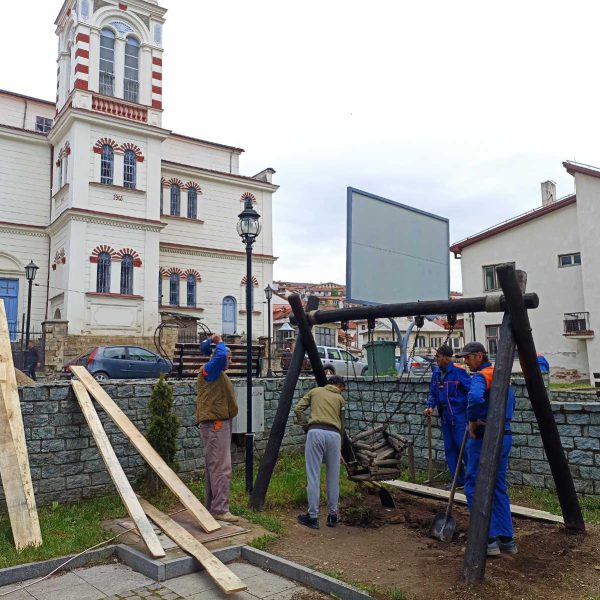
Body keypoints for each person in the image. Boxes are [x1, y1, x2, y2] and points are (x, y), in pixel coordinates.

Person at [455, 341, 517, 556]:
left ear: (479, 356)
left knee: (474, 484)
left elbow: (473, 397)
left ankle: (486, 539)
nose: (465, 361)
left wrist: (473, 420)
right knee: (498, 485)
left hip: (484, 437)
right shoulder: (502, 376)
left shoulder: (482, 376)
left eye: (468, 357)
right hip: (504, 435)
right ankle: (506, 539)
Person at [195, 334, 239, 523]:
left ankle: (213, 506)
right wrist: (219, 341)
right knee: (221, 467)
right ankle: (220, 509)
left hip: (218, 424)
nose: (229, 361)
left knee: (215, 466)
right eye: (228, 358)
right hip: (215, 425)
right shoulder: (210, 370)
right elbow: (219, 357)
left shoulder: (216, 373)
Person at [294, 375, 346, 529]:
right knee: (333, 477)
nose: (341, 392)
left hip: (315, 432)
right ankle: (332, 515)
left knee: (313, 475)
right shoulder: (340, 400)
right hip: (335, 435)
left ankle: (313, 517)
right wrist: (340, 447)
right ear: (337, 385)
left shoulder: (314, 391)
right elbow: (342, 425)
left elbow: (298, 409)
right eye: (341, 388)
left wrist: (305, 426)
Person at [424, 344, 471, 487]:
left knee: (464, 449)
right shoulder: (436, 374)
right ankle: (457, 480)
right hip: (445, 416)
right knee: (450, 449)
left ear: (445, 357)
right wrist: (430, 406)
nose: (436, 359)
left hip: (459, 417)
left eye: (438, 356)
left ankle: (473, 480)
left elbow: (471, 391)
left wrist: (470, 412)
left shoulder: (459, 372)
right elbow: (433, 393)